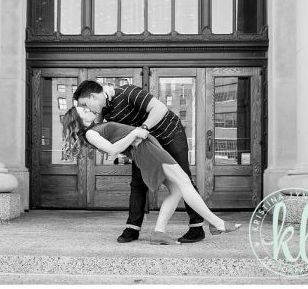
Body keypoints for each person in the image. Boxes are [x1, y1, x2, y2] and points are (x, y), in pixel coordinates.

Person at [62, 106, 242, 245]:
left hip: (147, 149)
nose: (88, 109)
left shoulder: (96, 127)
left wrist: (134, 134)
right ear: (78, 121)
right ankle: (216, 222)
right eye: (83, 110)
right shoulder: (91, 133)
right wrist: (134, 133)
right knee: (184, 182)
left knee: (178, 190)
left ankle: (159, 232)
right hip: (146, 151)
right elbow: (112, 150)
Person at [73, 80, 204, 243]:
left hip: (169, 134)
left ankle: (197, 227)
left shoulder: (128, 92)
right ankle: (132, 228)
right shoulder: (104, 108)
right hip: (144, 143)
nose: (87, 109)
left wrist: (143, 128)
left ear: (93, 96)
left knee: (184, 179)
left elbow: (160, 108)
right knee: (138, 181)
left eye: (86, 104)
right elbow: (103, 130)